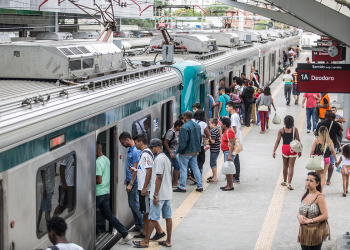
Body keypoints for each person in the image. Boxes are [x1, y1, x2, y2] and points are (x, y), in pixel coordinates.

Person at [132, 139, 173, 248]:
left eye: (152, 148)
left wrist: (155, 195)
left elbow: (158, 178)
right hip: (167, 193)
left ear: (157, 147)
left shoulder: (158, 159)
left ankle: (145, 241)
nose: (151, 150)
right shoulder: (166, 158)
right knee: (168, 217)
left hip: (159, 195)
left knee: (153, 218)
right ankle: (168, 240)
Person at [95, 142, 132, 244]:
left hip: (98, 193)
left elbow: (99, 180)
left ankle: (96, 231)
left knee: (88, 214)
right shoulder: (106, 159)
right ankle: (125, 233)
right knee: (108, 215)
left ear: (97, 150)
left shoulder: (97, 162)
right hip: (106, 191)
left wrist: (88, 181)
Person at [119, 132, 144, 233]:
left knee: (134, 204)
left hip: (134, 182)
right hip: (130, 180)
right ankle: (137, 225)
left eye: (122, 142)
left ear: (127, 140)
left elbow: (135, 168)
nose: (122, 145)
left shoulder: (134, 151)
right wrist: (127, 179)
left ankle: (142, 225)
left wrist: (131, 183)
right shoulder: (130, 150)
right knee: (131, 204)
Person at [297, 172, 329, 250]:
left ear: (317, 183)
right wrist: (299, 217)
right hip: (304, 231)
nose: (308, 182)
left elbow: (325, 215)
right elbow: (300, 211)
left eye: (311, 181)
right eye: (307, 180)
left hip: (315, 232)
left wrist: (310, 221)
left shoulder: (319, 197)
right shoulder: (305, 195)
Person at [174, 111, 203, 193]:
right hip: (195, 151)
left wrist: (178, 150)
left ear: (185, 117)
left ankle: (182, 187)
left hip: (186, 152)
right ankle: (200, 186)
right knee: (195, 168)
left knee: (183, 168)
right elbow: (200, 139)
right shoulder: (197, 126)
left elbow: (183, 142)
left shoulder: (184, 127)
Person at [272, 116, 301, 190]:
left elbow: (277, 141)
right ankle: (289, 183)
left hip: (285, 148)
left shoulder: (281, 130)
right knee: (291, 167)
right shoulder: (295, 130)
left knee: (285, 165)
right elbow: (298, 140)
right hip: (293, 148)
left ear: (284, 122)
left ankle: (284, 181)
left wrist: (274, 150)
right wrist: (299, 151)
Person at [316, 110, 342, 186]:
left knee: (321, 161)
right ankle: (328, 180)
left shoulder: (320, 124)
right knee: (331, 163)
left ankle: (319, 178)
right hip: (332, 144)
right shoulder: (336, 124)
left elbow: (316, 133)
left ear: (324, 115)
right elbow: (340, 135)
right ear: (331, 116)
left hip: (321, 145)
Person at [311, 126, 337, 192]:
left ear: (320, 132)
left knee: (317, 175)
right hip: (327, 159)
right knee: (323, 175)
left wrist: (311, 157)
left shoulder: (317, 140)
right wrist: (336, 159)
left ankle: (316, 190)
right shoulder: (329, 141)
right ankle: (321, 191)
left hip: (318, 158)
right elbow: (333, 151)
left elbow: (312, 150)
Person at [163, 120, 184, 188]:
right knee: (177, 166)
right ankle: (175, 183)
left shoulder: (176, 132)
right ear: (177, 126)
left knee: (174, 166)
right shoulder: (171, 132)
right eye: (181, 126)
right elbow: (165, 143)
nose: (181, 128)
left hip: (173, 151)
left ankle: (173, 182)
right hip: (171, 151)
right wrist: (170, 152)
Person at [193, 109, 214, 174]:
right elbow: (207, 135)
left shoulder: (192, 121)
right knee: (201, 159)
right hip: (199, 145)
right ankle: (194, 174)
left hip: (191, 144)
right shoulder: (203, 124)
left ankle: (192, 173)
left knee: (193, 160)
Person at [37, 164, 55, 234]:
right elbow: (43, 173)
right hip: (47, 189)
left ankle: (37, 228)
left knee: (42, 209)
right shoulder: (47, 160)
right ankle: (51, 231)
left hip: (49, 188)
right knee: (47, 211)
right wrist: (44, 189)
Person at [226, 101, 242, 183]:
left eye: (227, 107)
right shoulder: (236, 115)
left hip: (235, 139)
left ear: (231, 107)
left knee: (235, 159)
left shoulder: (233, 117)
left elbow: (234, 129)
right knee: (235, 158)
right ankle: (234, 175)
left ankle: (236, 176)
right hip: (237, 139)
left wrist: (232, 139)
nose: (226, 108)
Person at [219, 117, 236, 191]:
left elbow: (232, 144)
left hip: (228, 152)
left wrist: (230, 155)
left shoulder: (230, 132)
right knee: (227, 168)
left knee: (229, 169)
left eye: (221, 123)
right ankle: (228, 184)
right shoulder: (226, 131)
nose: (220, 125)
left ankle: (230, 185)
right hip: (226, 152)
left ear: (225, 125)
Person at [207, 118, 220, 183]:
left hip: (215, 149)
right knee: (213, 162)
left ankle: (215, 178)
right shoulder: (215, 130)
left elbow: (213, 141)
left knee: (213, 163)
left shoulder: (213, 131)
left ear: (214, 124)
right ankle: (214, 176)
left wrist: (209, 136)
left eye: (210, 124)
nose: (209, 125)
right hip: (216, 149)